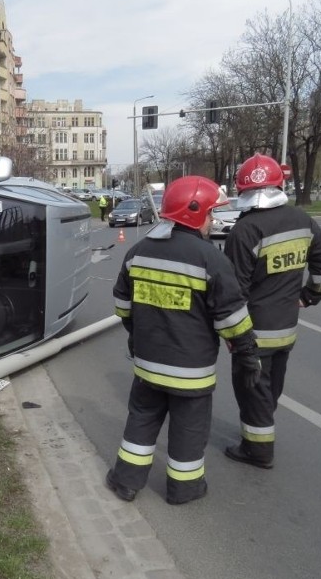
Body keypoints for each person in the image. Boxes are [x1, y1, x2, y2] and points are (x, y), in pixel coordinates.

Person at [106, 176, 260, 505]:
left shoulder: (138, 251)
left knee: (141, 421)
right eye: (210, 214)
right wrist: (247, 354)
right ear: (194, 213)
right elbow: (232, 319)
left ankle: (126, 481)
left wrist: (135, 333)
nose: (213, 221)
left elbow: (122, 303)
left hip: (147, 366)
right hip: (191, 372)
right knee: (189, 431)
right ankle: (184, 489)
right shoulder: (211, 260)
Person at [223, 153, 321, 469]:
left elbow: (234, 293)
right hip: (286, 329)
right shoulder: (302, 220)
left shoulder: (244, 231)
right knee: (270, 387)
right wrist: (309, 295)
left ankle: (258, 451)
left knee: (253, 392)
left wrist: (231, 335)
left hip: (253, 333)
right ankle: (260, 434)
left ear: (242, 188)